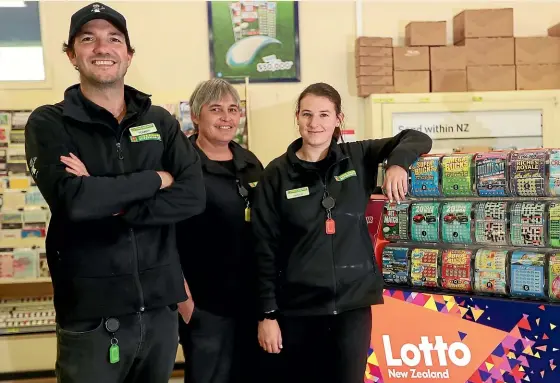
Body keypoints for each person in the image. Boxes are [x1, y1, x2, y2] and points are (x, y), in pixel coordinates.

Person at [24, 3, 205, 382]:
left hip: (158, 312)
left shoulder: (160, 121)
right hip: (91, 317)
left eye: (114, 39)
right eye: (88, 39)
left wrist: (115, 204)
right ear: (72, 55)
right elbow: (75, 202)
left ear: (128, 54)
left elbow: (192, 195)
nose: (102, 48)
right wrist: (156, 178)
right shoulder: (50, 122)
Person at [252, 82, 432, 383]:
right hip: (299, 309)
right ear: (297, 117)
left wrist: (397, 165)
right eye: (307, 114)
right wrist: (267, 315)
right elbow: (263, 248)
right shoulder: (276, 175)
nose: (315, 123)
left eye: (324, 114)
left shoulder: (357, 156)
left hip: (352, 307)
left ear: (338, 119)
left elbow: (417, 137)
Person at [176, 78, 264, 383]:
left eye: (232, 109)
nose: (226, 118)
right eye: (216, 109)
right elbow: (159, 236)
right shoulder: (179, 165)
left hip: (251, 303)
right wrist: (184, 302)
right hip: (204, 306)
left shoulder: (249, 162)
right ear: (196, 116)